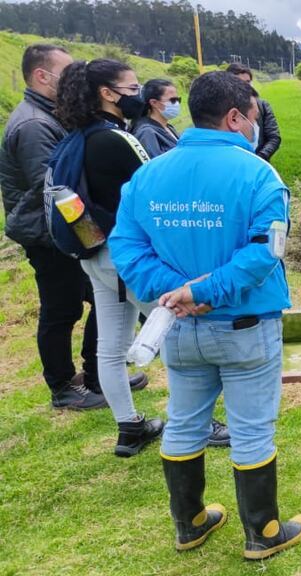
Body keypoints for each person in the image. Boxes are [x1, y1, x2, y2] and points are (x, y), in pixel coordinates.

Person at [111, 71, 301, 558]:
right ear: (234, 116)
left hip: (178, 328)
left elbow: (125, 247)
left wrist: (177, 293)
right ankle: (262, 533)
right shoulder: (259, 174)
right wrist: (204, 291)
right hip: (244, 327)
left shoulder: (148, 175)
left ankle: (191, 523)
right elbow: (266, 252)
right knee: (251, 428)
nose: (255, 126)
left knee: (184, 420)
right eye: (253, 116)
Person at [52, 58, 170, 456]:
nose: (138, 95)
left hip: (94, 254)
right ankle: (200, 423)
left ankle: (129, 428)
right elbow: (156, 190)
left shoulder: (76, 138)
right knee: (173, 332)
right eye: (132, 88)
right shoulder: (116, 139)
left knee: (110, 347)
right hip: (128, 257)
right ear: (107, 93)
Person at [0, 44, 108, 411]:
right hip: (47, 235)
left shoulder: (51, 115)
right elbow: (57, 191)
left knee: (98, 299)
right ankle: (63, 385)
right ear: (42, 76)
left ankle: (96, 375)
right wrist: (92, 237)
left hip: (59, 231)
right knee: (61, 309)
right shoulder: (33, 124)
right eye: (67, 71)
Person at [226, 63, 281, 162]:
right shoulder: (221, 109)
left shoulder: (262, 106)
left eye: (248, 82)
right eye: (239, 82)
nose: (244, 86)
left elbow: (274, 137)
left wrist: (259, 158)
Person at [131, 79, 182, 157]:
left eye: (178, 100)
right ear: (154, 103)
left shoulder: (168, 127)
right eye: (173, 100)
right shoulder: (147, 132)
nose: (177, 104)